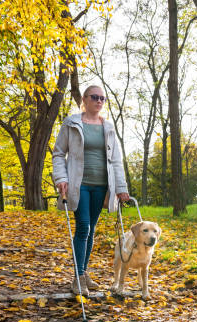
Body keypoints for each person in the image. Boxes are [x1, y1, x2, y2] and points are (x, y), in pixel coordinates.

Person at [52, 85, 130, 296]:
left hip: (102, 185)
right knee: (83, 226)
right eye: (95, 97)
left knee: (91, 228)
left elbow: (116, 160)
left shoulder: (109, 127)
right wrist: (61, 178)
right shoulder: (72, 123)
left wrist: (121, 188)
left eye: (103, 98)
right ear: (84, 100)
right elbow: (59, 153)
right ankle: (77, 278)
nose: (99, 101)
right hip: (79, 184)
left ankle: (83, 273)